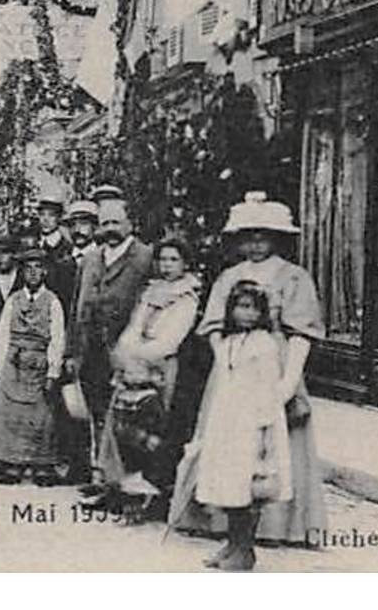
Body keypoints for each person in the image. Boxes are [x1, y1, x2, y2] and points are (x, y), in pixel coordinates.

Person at [174, 192, 328, 554]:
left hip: (274, 369)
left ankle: (278, 525)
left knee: (274, 443)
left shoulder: (294, 277)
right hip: (231, 371)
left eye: (263, 235)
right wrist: (225, 361)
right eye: (248, 235)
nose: (255, 243)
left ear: (276, 238)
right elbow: (214, 324)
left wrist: (288, 382)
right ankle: (219, 521)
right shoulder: (230, 277)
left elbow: (301, 332)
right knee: (224, 443)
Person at [180, 281, 292, 571]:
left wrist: (264, 428)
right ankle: (231, 543)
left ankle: (246, 549)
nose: (247, 314)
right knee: (228, 485)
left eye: (254, 308)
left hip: (253, 421)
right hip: (227, 420)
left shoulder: (264, 343)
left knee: (247, 486)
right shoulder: (228, 342)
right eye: (241, 307)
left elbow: (268, 388)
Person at [90, 237, 202, 515]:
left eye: (173, 260)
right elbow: (134, 327)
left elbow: (171, 339)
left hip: (162, 366)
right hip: (133, 363)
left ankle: (154, 491)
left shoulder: (187, 296)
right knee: (121, 423)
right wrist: (125, 353)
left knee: (154, 425)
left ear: (185, 263)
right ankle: (120, 487)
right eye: (162, 259)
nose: (166, 266)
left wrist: (141, 356)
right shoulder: (152, 291)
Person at [66, 193, 155, 491]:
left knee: (125, 417)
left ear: (130, 224)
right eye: (105, 223)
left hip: (125, 350)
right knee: (96, 413)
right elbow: (74, 307)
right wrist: (71, 350)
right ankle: (99, 474)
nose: (110, 229)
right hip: (90, 350)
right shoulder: (91, 258)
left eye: (116, 222)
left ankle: (122, 482)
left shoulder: (145, 257)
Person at [0, 244, 66, 486]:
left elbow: (57, 337)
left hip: (39, 362)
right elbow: (1, 335)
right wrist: (0, 369)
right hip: (13, 361)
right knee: (10, 414)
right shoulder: (13, 300)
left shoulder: (52, 301)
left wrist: (53, 370)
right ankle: (12, 463)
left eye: (37, 268)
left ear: (45, 272)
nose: (32, 273)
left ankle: (41, 465)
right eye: (28, 268)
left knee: (40, 415)